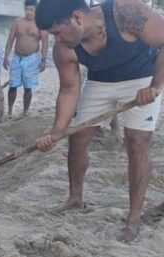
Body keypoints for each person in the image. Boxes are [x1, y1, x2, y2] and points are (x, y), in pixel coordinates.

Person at [35, 0, 164, 242]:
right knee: (77, 138)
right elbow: (69, 90)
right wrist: (56, 132)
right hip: (100, 81)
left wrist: (156, 85)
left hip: (141, 78)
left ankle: (134, 218)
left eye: (57, 33)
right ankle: (75, 199)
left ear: (77, 17)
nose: (57, 40)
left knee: (136, 142)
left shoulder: (125, 12)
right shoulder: (63, 48)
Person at [3, 0, 50, 117]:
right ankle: (9, 110)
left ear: (36, 10)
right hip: (17, 57)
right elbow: (10, 40)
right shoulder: (18, 22)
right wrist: (6, 56)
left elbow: (45, 43)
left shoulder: (41, 24)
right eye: (27, 10)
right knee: (12, 86)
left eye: (31, 10)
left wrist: (43, 60)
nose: (29, 12)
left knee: (28, 88)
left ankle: (24, 112)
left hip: (32, 59)